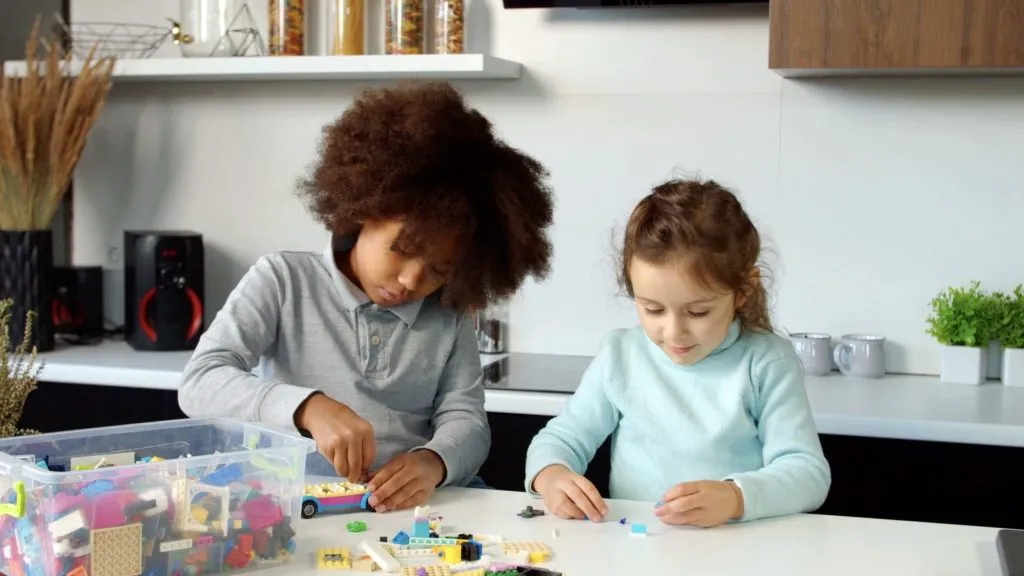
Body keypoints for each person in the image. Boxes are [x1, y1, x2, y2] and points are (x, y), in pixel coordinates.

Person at [179, 82, 555, 513]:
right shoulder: (283, 281)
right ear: (362, 209)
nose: (412, 280)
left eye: (440, 270)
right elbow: (200, 382)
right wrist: (306, 407)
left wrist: (433, 462)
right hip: (294, 505)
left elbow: (467, 421)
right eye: (404, 248)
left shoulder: (446, 317)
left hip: (415, 512)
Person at [524, 178, 830, 528]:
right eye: (653, 309)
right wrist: (550, 476)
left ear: (742, 291)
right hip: (635, 549)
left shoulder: (767, 361)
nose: (674, 332)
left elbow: (807, 473)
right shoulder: (620, 355)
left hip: (736, 549)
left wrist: (735, 497)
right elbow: (561, 437)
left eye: (698, 312)